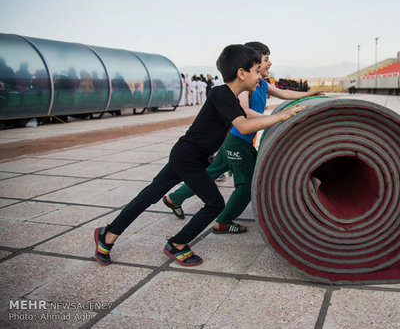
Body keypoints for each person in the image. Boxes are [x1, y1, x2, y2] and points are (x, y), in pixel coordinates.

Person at [93, 45, 308, 267]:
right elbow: (243, 126)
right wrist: (282, 116)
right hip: (187, 157)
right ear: (242, 73)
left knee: (149, 195)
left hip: (189, 156)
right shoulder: (220, 93)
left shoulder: (230, 98)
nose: (258, 76)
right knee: (214, 204)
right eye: (255, 70)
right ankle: (176, 244)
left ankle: (107, 234)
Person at [162, 41, 323, 234]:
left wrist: (308, 93)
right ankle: (223, 221)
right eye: (265, 60)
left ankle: (174, 198)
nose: (269, 63)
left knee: (210, 173)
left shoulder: (262, 84)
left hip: (235, 140)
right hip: (238, 140)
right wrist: (276, 118)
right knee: (247, 185)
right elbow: (244, 112)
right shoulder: (246, 88)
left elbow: (283, 93)